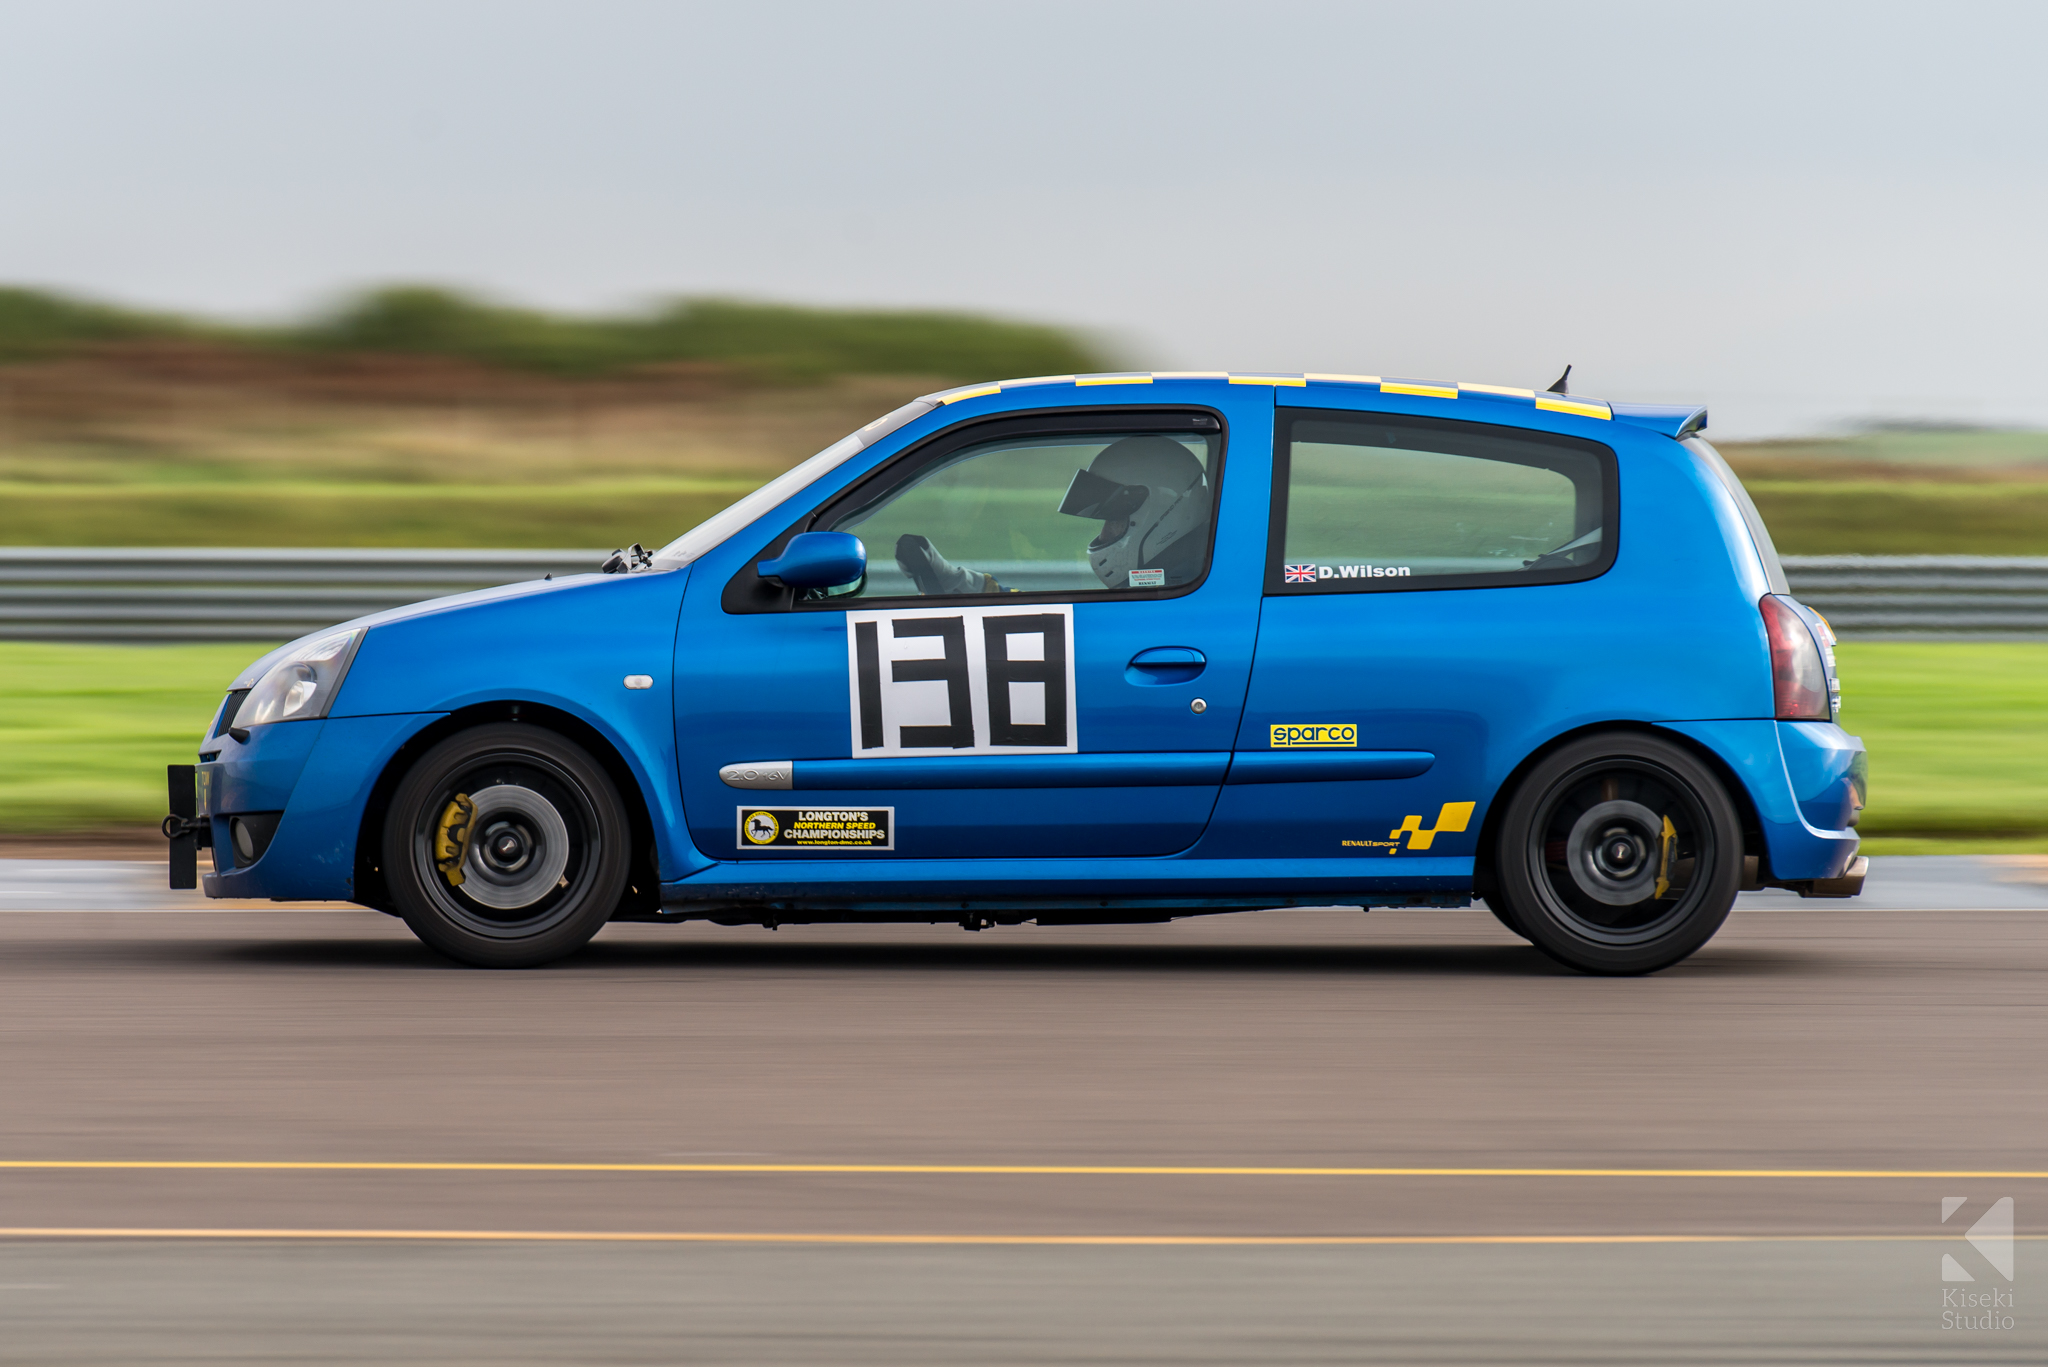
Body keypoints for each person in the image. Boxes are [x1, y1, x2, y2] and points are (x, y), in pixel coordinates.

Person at [894, 435, 1211, 595]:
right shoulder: (1171, 589)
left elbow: (1051, 632)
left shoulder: (1163, 599)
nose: (1102, 536)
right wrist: (962, 584)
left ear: (1163, 516)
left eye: (1113, 520)